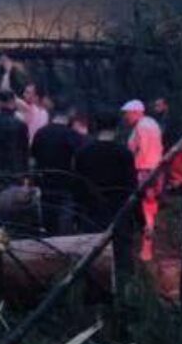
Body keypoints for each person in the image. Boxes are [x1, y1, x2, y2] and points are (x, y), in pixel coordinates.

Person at [74, 110, 138, 275]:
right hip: (119, 213)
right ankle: (123, 292)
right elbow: (132, 187)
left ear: (96, 126)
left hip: (91, 213)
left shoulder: (83, 153)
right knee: (121, 259)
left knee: (92, 260)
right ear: (116, 128)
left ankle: (94, 295)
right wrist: (138, 218)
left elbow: (77, 187)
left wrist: (77, 214)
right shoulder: (124, 154)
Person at [30, 106, 85, 235]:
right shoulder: (72, 135)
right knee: (64, 222)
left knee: (47, 218)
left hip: (45, 183)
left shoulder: (40, 133)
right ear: (68, 118)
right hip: (66, 185)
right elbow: (80, 158)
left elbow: (33, 156)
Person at [122, 99, 163, 262]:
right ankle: (147, 245)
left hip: (144, 171)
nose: (126, 117)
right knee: (151, 208)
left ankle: (146, 249)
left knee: (146, 209)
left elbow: (135, 149)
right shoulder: (152, 123)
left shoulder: (141, 127)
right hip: (157, 169)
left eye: (127, 113)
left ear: (136, 112)